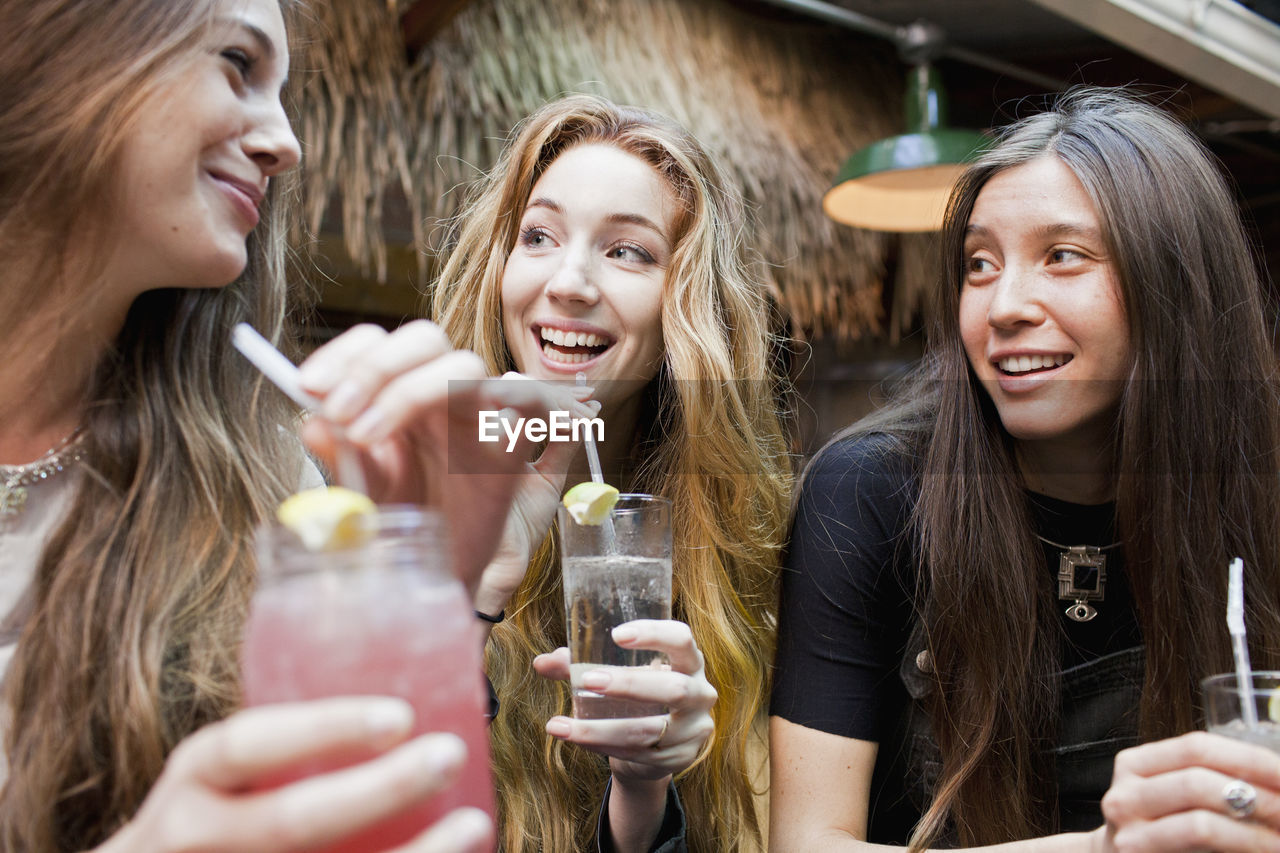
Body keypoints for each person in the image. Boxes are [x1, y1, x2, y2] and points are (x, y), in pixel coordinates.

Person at [0, 1, 581, 850]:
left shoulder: (265, 477)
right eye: (237, 63)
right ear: (54, 45)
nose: (288, 141)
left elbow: (387, 817)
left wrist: (439, 591)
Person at [770, 86, 1280, 853]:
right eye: (979, 263)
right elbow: (804, 843)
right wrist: (1112, 846)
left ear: (1172, 283)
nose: (1004, 304)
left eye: (1062, 256)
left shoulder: (1258, 487)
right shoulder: (869, 491)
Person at [432, 94, 793, 853]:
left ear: (686, 306)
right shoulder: (399, 500)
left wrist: (643, 787)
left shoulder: (747, 554)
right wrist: (473, 593)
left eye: (627, 250)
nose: (569, 281)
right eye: (539, 235)